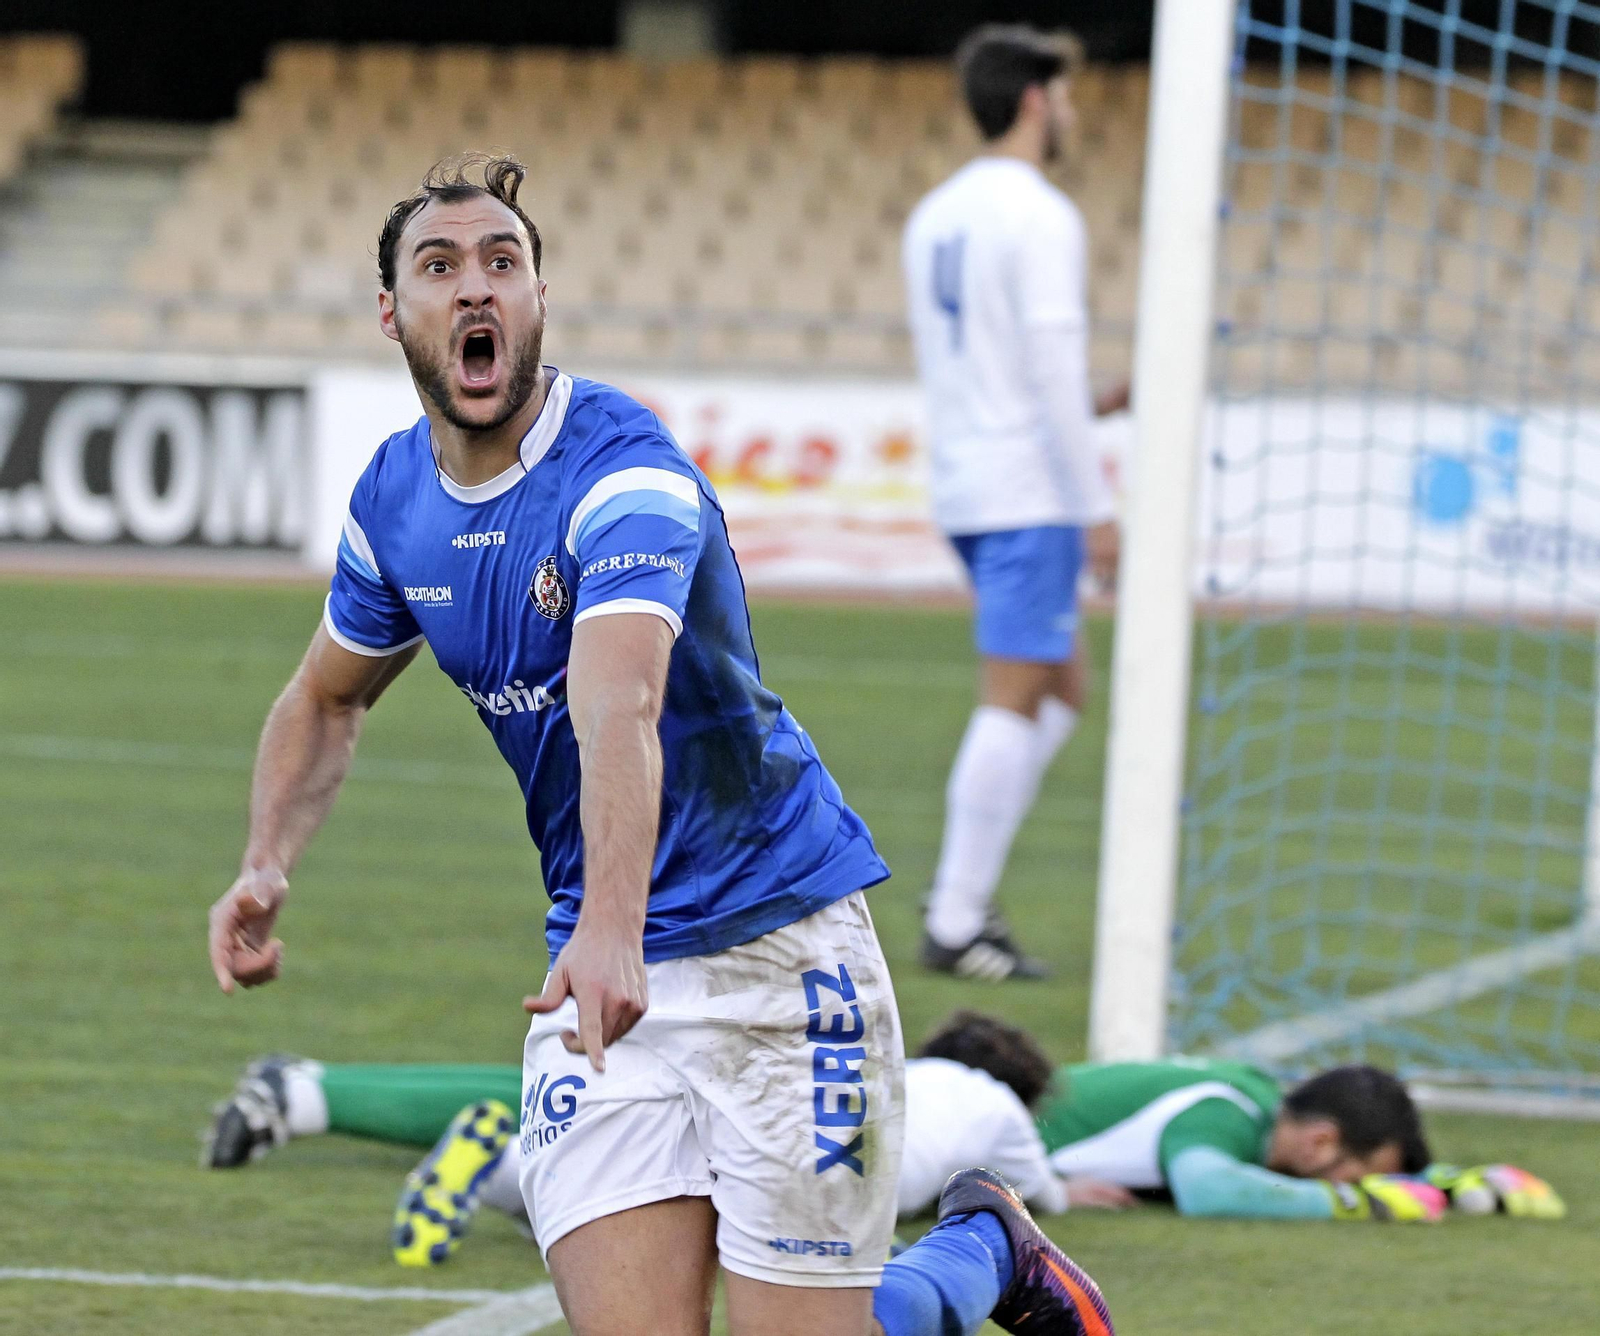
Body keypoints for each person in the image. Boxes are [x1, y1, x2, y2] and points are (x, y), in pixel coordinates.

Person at [203, 152, 1111, 1336]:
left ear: (538, 298)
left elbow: (618, 700)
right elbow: (325, 697)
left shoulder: (625, 470)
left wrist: (612, 927)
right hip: (601, 979)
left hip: (780, 960)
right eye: (440, 266)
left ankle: (981, 1244)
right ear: (392, 312)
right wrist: (265, 860)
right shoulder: (392, 501)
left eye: (502, 262)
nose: (475, 288)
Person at [206, 1015, 1564, 1252]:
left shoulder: (1229, 1087)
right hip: (924, 1115)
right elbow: (1212, 1189)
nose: (1328, 1178)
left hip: (925, 1100)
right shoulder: (1228, 1111)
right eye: (1348, 1168)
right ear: (1323, 1135)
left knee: (627, 1115)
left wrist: (1457, 1183)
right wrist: (1405, 1208)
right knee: (643, 1126)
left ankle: (317, 1098)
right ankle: (444, 1137)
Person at [902, 26, 1129, 981]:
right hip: (1028, 489)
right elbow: (1040, 365)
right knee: (1018, 696)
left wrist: (1100, 401)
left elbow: (994, 370)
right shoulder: (1041, 215)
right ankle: (956, 916)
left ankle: (964, 889)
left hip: (967, 480)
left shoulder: (936, 215)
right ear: (1036, 100)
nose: (1071, 114)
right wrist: (1095, 506)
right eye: (1066, 97)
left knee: (1061, 689)